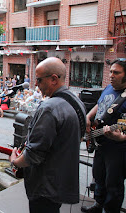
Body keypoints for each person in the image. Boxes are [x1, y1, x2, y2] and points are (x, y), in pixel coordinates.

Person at [9, 57, 86, 213]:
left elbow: (33, 154)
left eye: (38, 80)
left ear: (53, 79)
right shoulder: (78, 103)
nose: (36, 84)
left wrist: (15, 161)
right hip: (59, 183)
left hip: (45, 187)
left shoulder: (49, 108)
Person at [81, 59, 126, 213]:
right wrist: (88, 116)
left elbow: (123, 131)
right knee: (98, 176)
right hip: (100, 143)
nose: (111, 75)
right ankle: (98, 204)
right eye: (111, 71)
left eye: (116, 72)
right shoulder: (109, 87)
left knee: (113, 183)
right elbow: (100, 104)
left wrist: (119, 138)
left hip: (117, 149)